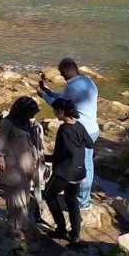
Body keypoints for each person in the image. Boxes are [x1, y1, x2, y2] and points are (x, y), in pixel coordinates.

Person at [38, 58, 100, 209]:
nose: (62, 76)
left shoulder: (72, 87)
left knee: (80, 166)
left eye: (61, 73)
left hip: (79, 131)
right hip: (93, 129)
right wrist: (50, 92)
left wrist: (44, 96)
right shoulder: (88, 82)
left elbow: (61, 107)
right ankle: (82, 197)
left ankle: (82, 202)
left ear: (66, 71)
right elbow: (67, 100)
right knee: (88, 165)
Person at [44, 98, 95, 245]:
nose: (54, 114)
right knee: (71, 201)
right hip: (79, 172)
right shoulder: (79, 126)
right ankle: (75, 235)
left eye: (55, 111)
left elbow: (64, 153)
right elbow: (90, 144)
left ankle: (61, 228)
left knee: (49, 195)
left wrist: (46, 158)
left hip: (64, 172)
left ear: (61, 111)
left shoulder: (64, 129)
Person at [0, 96, 44, 235]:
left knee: (24, 194)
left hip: (26, 162)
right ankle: (15, 226)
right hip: (12, 164)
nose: (32, 116)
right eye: (30, 113)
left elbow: (33, 142)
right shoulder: (7, 123)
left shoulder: (26, 122)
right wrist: (0, 158)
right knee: (14, 195)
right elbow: (0, 140)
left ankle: (21, 223)